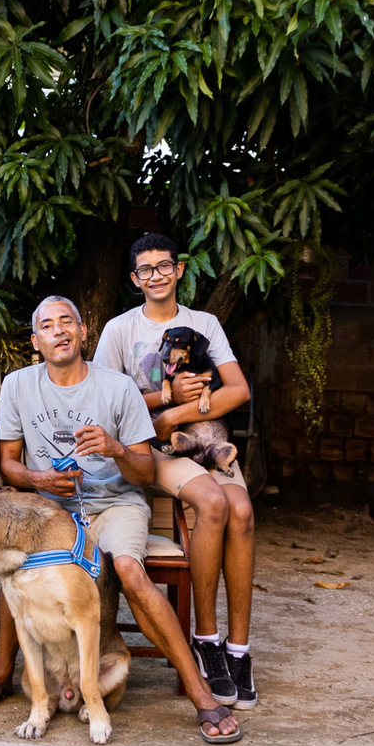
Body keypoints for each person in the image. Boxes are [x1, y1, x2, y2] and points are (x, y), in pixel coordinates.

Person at [0, 295, 241, 743]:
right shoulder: (17, 385)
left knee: (129, 569)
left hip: (114, 504)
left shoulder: (118, 387)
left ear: (83, 331)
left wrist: (116, 448)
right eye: (47, 326)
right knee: (12, 568)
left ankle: (199, 690)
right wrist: (39, 478)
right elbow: (8, 463)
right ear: (36, 341)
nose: (59, 331)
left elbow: (145, 472)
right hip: (52, 512)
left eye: (66, 322)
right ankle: (2, 669)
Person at [94, 232, 257, 711]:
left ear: (179, 269)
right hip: (153, 448)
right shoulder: (120, 331)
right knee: (212, 502)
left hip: (201, 438)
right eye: (146, 269)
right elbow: (106, 401)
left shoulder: (203, 323)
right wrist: (162, 404)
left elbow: (237, 390)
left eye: (164, 266)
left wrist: (176, 415)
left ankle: (239, 649)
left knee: (242, 510)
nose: (157, 276)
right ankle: (205, 639)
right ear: (134, 279)